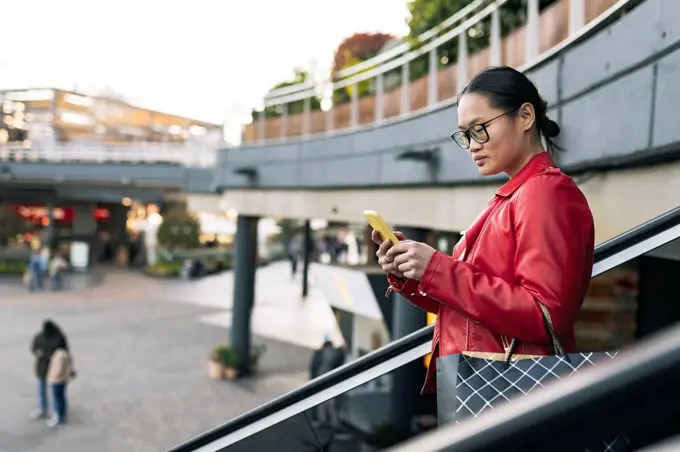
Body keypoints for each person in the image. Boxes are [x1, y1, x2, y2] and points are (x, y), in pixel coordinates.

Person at [373, 66, 595, 394]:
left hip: (510, 388)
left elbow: (544, 314)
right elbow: (474, 308)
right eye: (465, 135)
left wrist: (436, 268)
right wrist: (415, 271)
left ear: (524, 117)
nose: (472, 146)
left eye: (480, 129)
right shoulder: (514, 196)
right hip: (488, 384)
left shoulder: (545, 193)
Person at [30, 320, 68, 420]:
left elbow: (63, 354)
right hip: (50, 368)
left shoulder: (42, 337)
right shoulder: (58, 337)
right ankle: (50, 410)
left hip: (53, 368)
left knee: (53, 392)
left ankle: (50, 410)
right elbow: (33, 348)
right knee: (51, 391)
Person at [46, 336, 75, 427]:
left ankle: (59, 417)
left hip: (57, 379)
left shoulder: (60, 354)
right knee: (61, 398)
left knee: (57, 398)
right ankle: (62, 416)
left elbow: (58, 369)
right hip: (63, 379)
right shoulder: (66, 353)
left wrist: (52, 376)